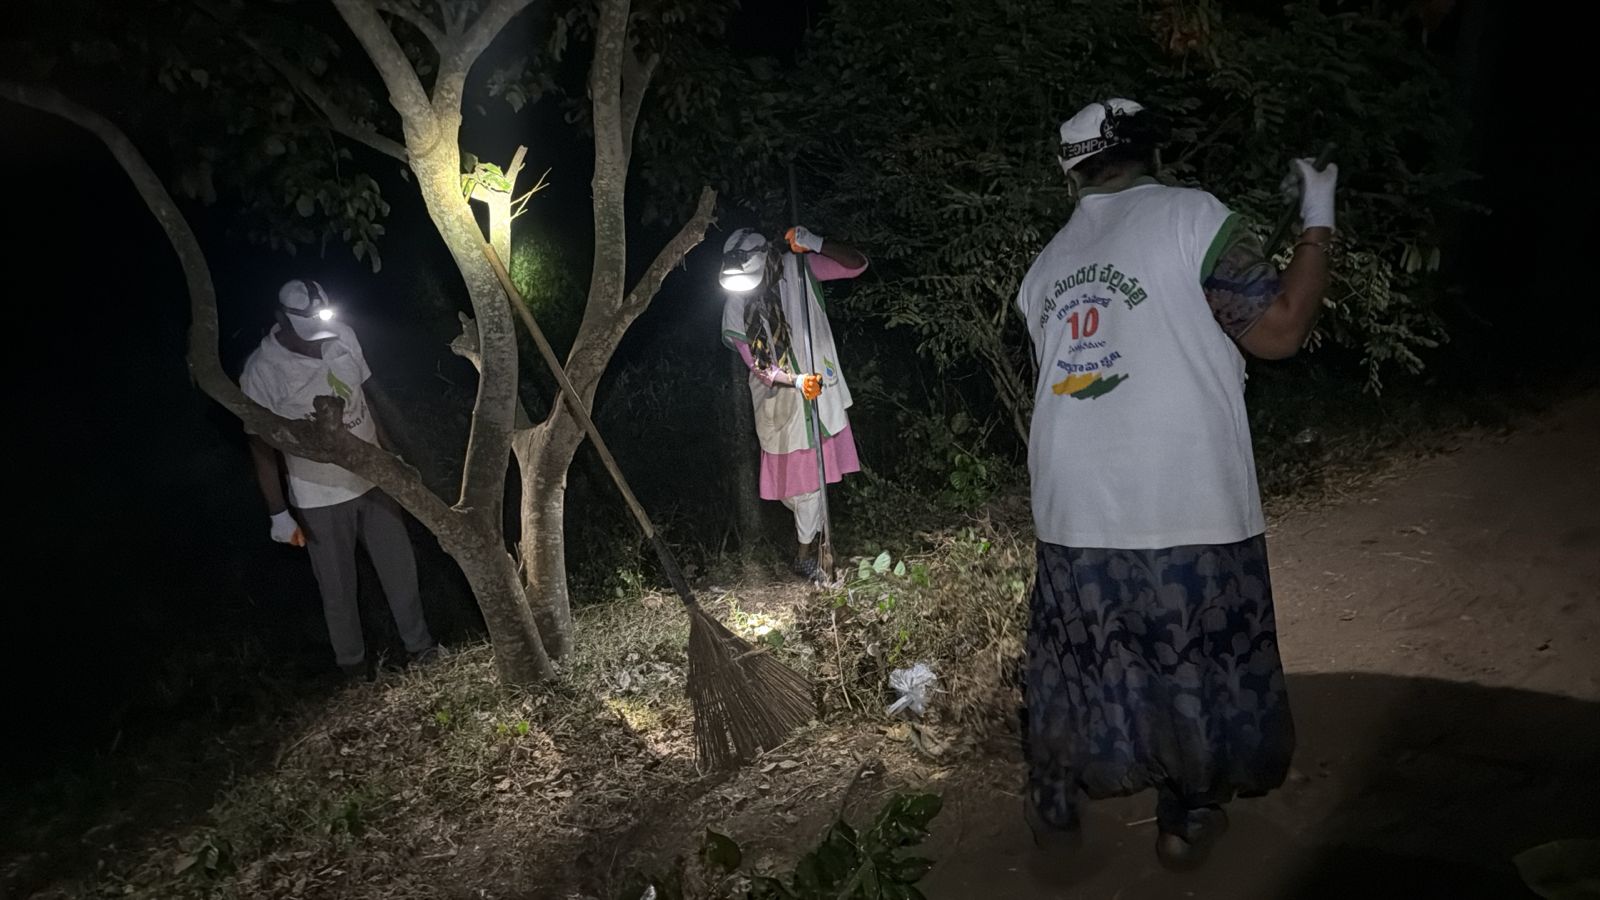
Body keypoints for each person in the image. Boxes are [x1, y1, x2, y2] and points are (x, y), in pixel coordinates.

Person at [1015, 98, 1337, 869]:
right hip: (1182, 496)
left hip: (1070, 504)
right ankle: (1186, 817)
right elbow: (1280, 330)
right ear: (1149, 152)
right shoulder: (1193, 217)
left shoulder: (1043, 268)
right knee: (1193, 658)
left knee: (1080, 656)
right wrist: (1318, 220)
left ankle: (1055, 801)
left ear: (1068, 171)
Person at [240, 279, 440, 680]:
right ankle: (354, 670)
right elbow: (261, 447)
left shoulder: (343, 334)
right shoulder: (261, 370)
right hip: (319, 495)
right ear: (282, 319)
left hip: (373, 477)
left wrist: (392, 458)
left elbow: (366, 401)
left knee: (400, 569)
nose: (316, 338)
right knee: (337, 588)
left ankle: (422, 650)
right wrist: (278, 512)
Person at [719, 225, 869, 580]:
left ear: (766, 260)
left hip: (821, 397)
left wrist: (815, 242)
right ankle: (811, 546)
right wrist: (797, 381)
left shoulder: (797, 270)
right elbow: (758, 366)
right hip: (780, 403)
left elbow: (857, 264)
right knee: (796, 490)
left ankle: (807, 555)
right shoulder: (735, 305)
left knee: (811, 486)